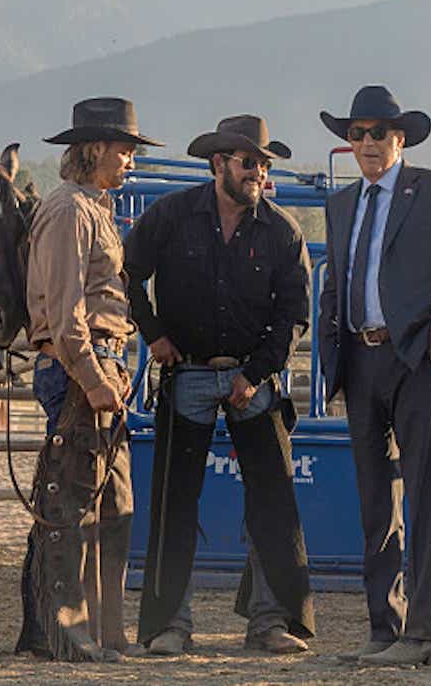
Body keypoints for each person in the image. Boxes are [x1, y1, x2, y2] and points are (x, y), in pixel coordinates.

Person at [317, 85, 431, 667]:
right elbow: (335, 284)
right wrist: (331, 358)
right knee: (377, 502)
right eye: (357, 133)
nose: (367, 143)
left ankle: (427, 631)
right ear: (349, 142)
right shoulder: (342, 204)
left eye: (378, 133)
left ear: (400, 138)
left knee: (423, 493)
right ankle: (385, 628)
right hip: (359, 359)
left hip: (417, 356)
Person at [125, 115, 316, 657]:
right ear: (218, 165)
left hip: (252, 377)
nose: (258, 171)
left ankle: (271, 622)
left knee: (273, 500)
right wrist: (154, 333)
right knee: (175, 501)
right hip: (185, 370)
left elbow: (293, 316)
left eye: (263, 163)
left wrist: (255, 374)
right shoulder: (171, 216)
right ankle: (170, 624)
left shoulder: (282, 230)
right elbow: (128, 272)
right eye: (248, 161)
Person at [15, 97, 161, 663]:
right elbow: (65, 304)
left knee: (107, 502)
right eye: (125, 149)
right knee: (75, 502)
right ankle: (69, 632)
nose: (130, 159)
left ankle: (95, 631)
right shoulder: (71, 211)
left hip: (99, 366)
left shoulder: (88, 208)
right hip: (84, 368)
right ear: (95, 149)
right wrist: (94, 375)